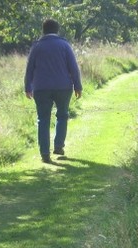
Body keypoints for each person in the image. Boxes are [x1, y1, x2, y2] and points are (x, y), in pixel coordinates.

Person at [24, 19, 83, 163]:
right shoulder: (64, 45)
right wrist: (78, 86)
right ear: (57, 30)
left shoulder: (37, 47)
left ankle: (45, 153)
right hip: (63, 87)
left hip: (41, 88)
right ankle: (58, 146)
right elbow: (73, 67)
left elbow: (29, 69)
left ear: (43, 30)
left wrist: (27, 87)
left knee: (43, 119)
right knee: (62, 115)